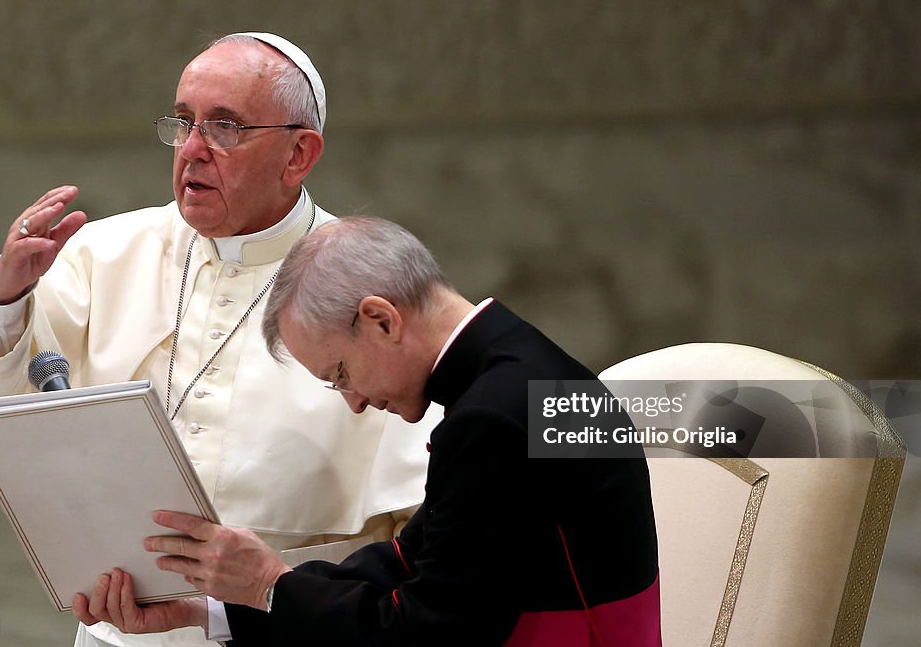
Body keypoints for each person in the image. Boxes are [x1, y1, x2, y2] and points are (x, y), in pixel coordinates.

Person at [0, 36, 435, 647]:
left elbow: (421, 518)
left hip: (296, 629)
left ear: (298, 155)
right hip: (122, 630)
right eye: (183, 122)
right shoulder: (102, 250)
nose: (192, 150)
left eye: (225, 127)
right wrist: (5, 290)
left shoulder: (370, 279)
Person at [72, 216, 662, 645]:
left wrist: (272, 587)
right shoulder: (519, 363)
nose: (353, 403)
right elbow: (412, 561)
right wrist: (213, 605)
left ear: (381, 319)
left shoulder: (491, 420)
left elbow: (427, 634)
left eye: (341, 373)